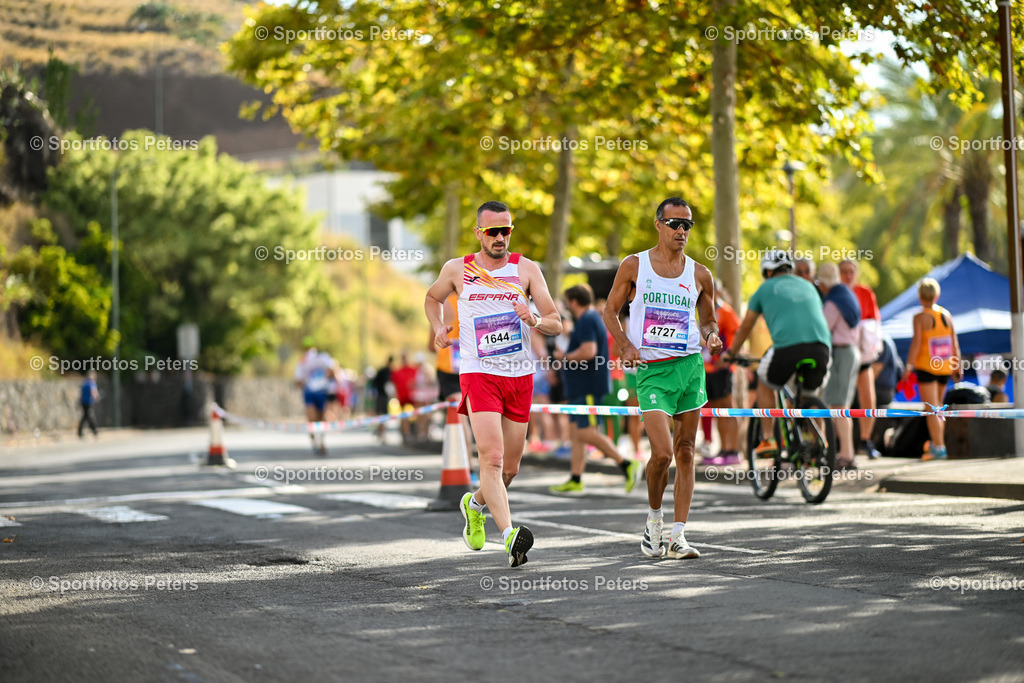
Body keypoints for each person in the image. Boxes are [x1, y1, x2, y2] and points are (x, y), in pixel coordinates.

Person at [424, 200, 561, 568]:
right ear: (478, 234)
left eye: (506, 230)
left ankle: (475, 503)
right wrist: (438, 326)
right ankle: (510, 536)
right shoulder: (458, 269)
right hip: (478, 373)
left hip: (519, 376)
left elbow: (556, 321)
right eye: (493, 231)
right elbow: (432, 298)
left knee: (511, 469)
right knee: (492, 457)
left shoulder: (527, 269)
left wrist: (532, 318)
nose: (500, 238)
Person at [604, 197, 721, 560]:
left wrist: (712, 336)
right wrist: (624, 344)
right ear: (658, 225)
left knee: (685, 451)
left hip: (689, 367)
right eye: (675, 224)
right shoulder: (634, 265)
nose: (682, 231)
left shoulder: (700, 274)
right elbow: (610, 311)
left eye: (688, 225)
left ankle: (678, 535)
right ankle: (653, 520)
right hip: (652, 371)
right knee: (659, 455)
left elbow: (709, 319)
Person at [723, 250, 831, 462]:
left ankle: (767, 439)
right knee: (808, 396)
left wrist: (731, 354)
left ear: (767, 271)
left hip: (788, 347)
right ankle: (819, 443)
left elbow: (746, 326)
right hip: (822, 348)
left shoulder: (764, 289)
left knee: (765, 383)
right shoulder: (808, 285)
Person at [549, 283, 643, 494]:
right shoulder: (588, 319)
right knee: (576, 434)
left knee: (585, 432)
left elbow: (589, 351)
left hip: (587, 386)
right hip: (581, 386)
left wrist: (563, 357)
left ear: (573, 302)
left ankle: (626, 464)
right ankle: (575, 478)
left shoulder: (587, 319)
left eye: (566, 301)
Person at [903, 277, 962, 460]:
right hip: (944, 367)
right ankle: (938, 444)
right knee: (939, 408)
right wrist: (957, 365)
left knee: (932, 409)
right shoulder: (946, 315)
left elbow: (916, 343)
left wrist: (908, 366)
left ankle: (939, 447)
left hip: (927, 367)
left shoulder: (919, 317)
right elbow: (955, 344)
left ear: (920, 297)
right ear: (936, 295)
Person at [817, 263, 862, 470]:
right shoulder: (848, 295)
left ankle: (844, 455)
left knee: (836, 406)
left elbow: (823, 328)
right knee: (842, 405)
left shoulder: (833, 301)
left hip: (841, 353)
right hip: (852, 351)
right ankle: (846, 453)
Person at [840, 259, 883, 458]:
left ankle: (865, 440)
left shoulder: (865, 292)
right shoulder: (835, 294)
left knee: (868, 398)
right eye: (844, 272)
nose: (848, 275)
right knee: (841, 401)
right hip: (842, 354)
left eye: (851, 271)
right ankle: (841, 444)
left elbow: (875, 322)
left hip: (863, 354)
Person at [700, 286, 741, 465]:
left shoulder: (725, 311)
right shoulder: (705, 312)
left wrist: (729, 357)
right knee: (717, 410)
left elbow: (738, 333)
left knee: (727, 408)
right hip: (708, 369)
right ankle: (724, 449)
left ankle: (733, 451)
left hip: (722, 368)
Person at [294, 339, 338, 456]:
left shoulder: (323, 357)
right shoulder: (302, 361)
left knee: (322, 419)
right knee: (312, 418)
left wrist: (328, 376)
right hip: (310, 393)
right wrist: (303, 383)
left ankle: (321, 441)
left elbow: (333, 371)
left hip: (322, 392)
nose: (309, 350)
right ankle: (314, 440)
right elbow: (298, 379)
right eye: (306, 348)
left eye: (310, 347)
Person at [872, 332, 904, 408]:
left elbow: (874, 372)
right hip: (888, 392)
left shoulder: (881, 341)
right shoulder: (887, 339)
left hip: (882, 392)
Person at [371, 356, 394, 441]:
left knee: (382, 414)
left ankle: (381, 431)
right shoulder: (385, 372)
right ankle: (380, 431)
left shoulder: (386, 371)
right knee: (382, 414)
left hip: (383, 395)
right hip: (382, 395)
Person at [78, 371, 100, 438]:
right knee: (90, 416)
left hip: (83, 401)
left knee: (85, 416)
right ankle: (94, 430)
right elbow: (93, 392)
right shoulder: (92, 383)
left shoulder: (84, 382)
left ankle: (80, 432)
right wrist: (97, 397)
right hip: (89, 401)